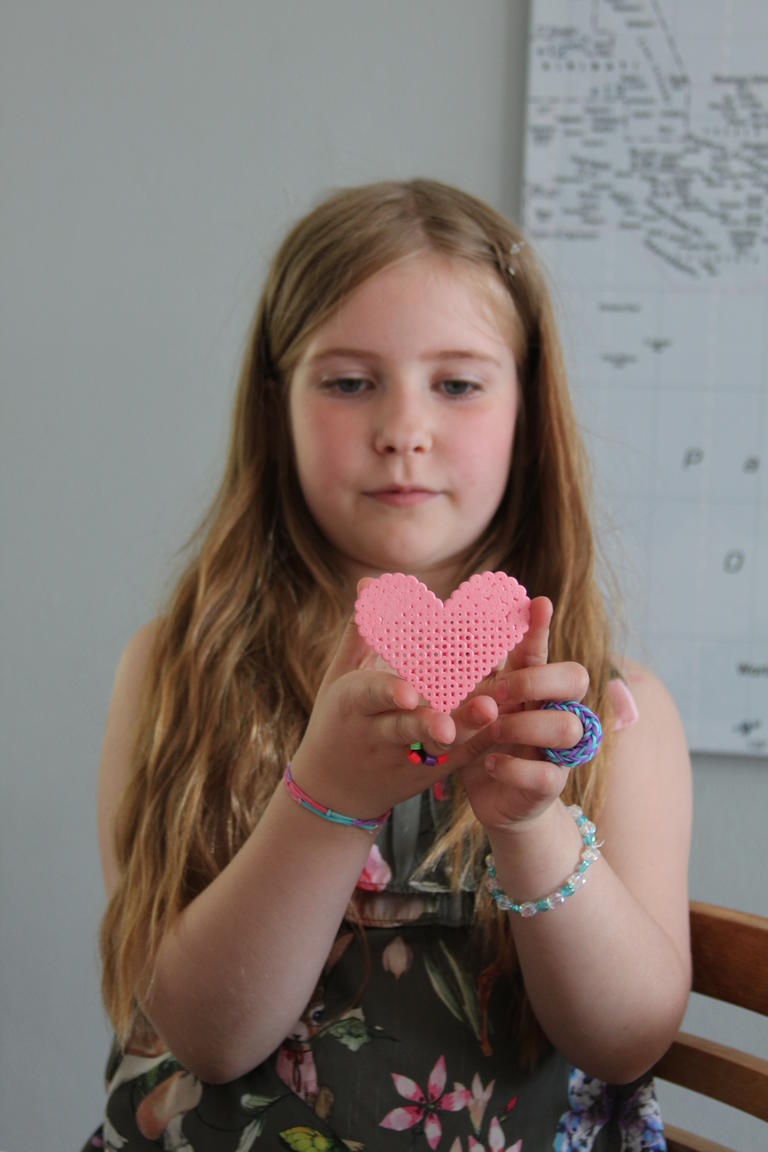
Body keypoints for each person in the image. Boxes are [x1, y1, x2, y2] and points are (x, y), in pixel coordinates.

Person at [85, 179, 692, 1151]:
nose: (404, 428)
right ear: (277, 402)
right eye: (348, 382)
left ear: (528, 406)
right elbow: (206, 1036)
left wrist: (530, 826)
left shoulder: (617, 712)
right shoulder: (176, 673)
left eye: (457, 384)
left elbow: (626, 1042)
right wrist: (327, 798)